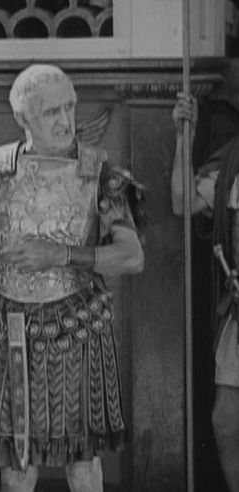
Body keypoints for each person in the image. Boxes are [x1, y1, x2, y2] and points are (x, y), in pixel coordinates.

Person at [0, 64, 145, 491]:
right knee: (17, 465)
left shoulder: (99, 173)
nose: (66, 120)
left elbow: (133, 255)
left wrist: (62, 255)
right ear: (22, 117)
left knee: (83, 463)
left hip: (75, 326)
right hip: (7, 325)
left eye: (70, 107)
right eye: (51, 112)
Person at [172, 93, 239, 492]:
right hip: (238, 311)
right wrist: (187, 135)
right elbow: (184, 202)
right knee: (225, 420)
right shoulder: (233, 161)